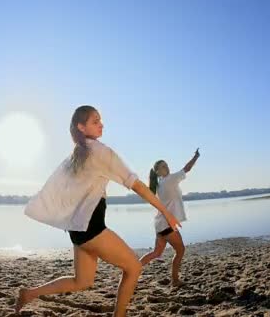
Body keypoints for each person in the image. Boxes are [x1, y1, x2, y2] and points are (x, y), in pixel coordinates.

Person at [15, 105, 182, 317]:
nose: (101, 124)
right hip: (92, 229)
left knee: (82, 281)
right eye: (95, 121)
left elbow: (61, 192)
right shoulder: (101, 152)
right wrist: (165, 212)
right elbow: (137, 185)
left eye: (100, 120)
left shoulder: (75, 156)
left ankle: (30, 293)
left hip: (77, 230)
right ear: (81, 127)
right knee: (133, 268)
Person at [139, 148, 200, 287]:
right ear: (158, 172)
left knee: (156, 252)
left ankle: (133, 268)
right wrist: (195, 157)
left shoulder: (159, 184)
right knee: (180, 250)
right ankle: (175, 280)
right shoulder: (169, 180)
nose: (167, 167)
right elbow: (186, 169)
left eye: (167, 165)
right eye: (163, 166)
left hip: (160, 224)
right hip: (166, 224)